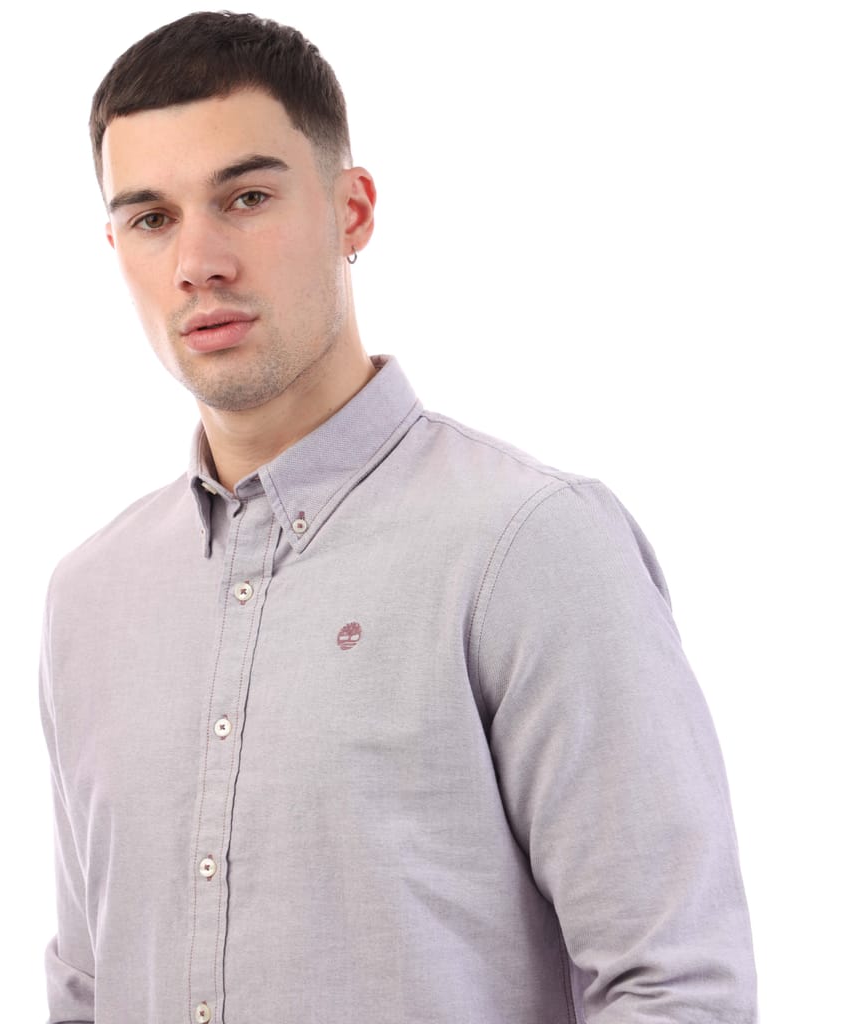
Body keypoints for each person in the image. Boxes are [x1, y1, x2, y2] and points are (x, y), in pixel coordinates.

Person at [39, 12, 757, 1023]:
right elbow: (88, 986)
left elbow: (674, 984)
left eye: (246, 198)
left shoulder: (528, 544)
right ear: (116, 246)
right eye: (152, 218)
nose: (199, 260)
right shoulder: (91, 597)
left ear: (353, 211)